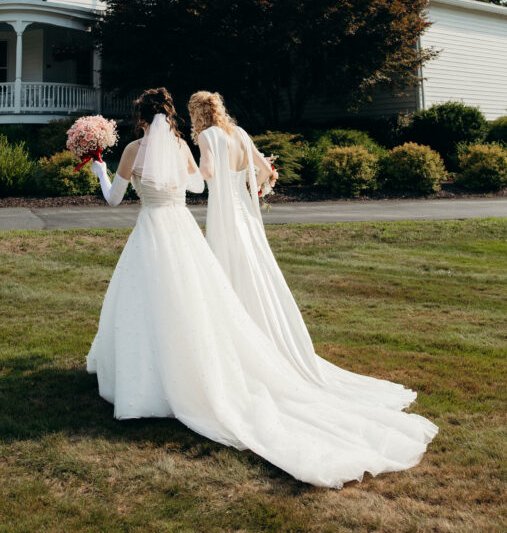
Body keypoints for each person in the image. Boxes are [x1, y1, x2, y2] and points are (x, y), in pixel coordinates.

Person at [86, 87, 437, 489]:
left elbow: (114, 200)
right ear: (169, 115)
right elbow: (199, 188)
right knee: (193, 303)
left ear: (142, 117)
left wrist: (99, 169)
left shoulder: (131, 150)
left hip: (149, 231)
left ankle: (146, 383)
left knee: (143, 304)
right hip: (181, 232)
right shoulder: (183, 147)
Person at [189, 89, 425, 410]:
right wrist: (252, 187)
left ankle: (232, 342)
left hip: (223, 216)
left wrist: (177, 171)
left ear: (197, 114)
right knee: (253, 271)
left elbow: (206, 173)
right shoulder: (240, 134)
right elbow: (265, 171)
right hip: (244, 215)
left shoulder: (208, 137)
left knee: (225, 272)